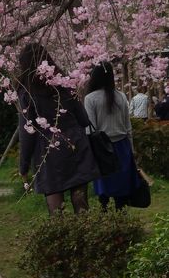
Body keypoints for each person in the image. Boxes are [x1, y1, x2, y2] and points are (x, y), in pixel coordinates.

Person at [17, 43, 99, 214]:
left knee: (55, 202)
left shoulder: (26, 92)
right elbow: (84, 120)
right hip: (75, 144)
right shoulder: (65, 83)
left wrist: (23, 165)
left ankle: (60, 236)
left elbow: (27, 132)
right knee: (79, 198)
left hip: (48, 150)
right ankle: (85, 236)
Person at [84, 61, 139, 210]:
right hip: (122, 145)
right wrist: (132, 148)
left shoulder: (90, 99)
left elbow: (90, 129)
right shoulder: (121, 96)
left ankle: (104, 211)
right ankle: (120, 212)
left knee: (104, 182)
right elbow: (128, 127)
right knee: (121, 181)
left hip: (102, 148)